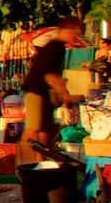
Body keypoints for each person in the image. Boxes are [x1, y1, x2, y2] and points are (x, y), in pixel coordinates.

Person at [22, 18, 85, 157]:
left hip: (44, 93)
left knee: (46, 129)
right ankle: (24, 159)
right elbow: (50, 75)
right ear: (65, 30)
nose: (75, 36)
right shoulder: (54, 47)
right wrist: (64, 94)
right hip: (36, 90)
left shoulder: (59, 47)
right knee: (33, 128)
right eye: (74, 32)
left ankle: (41, 159)